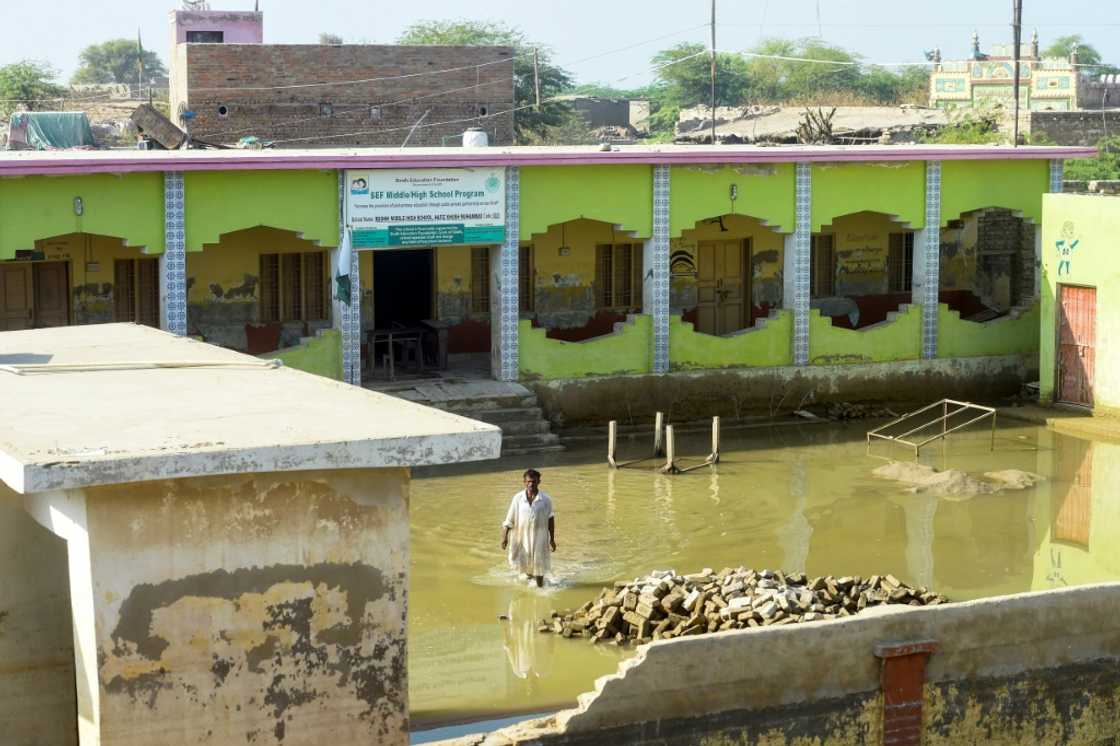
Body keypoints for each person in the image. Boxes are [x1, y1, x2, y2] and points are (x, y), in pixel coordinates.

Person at [500, 469, 556, 587]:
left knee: (539, 564)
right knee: (526, 565)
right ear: (524, 482)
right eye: (528, 481)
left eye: (534, 481)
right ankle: (531, 584)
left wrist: (552, 539)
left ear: (539, 482)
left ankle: (540, 589)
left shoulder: (546, 499)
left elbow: (551, 519)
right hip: (522, 537)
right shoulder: (518, 499)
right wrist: (504, 538)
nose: (531, 484)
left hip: (540, 537)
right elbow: (509, 520)